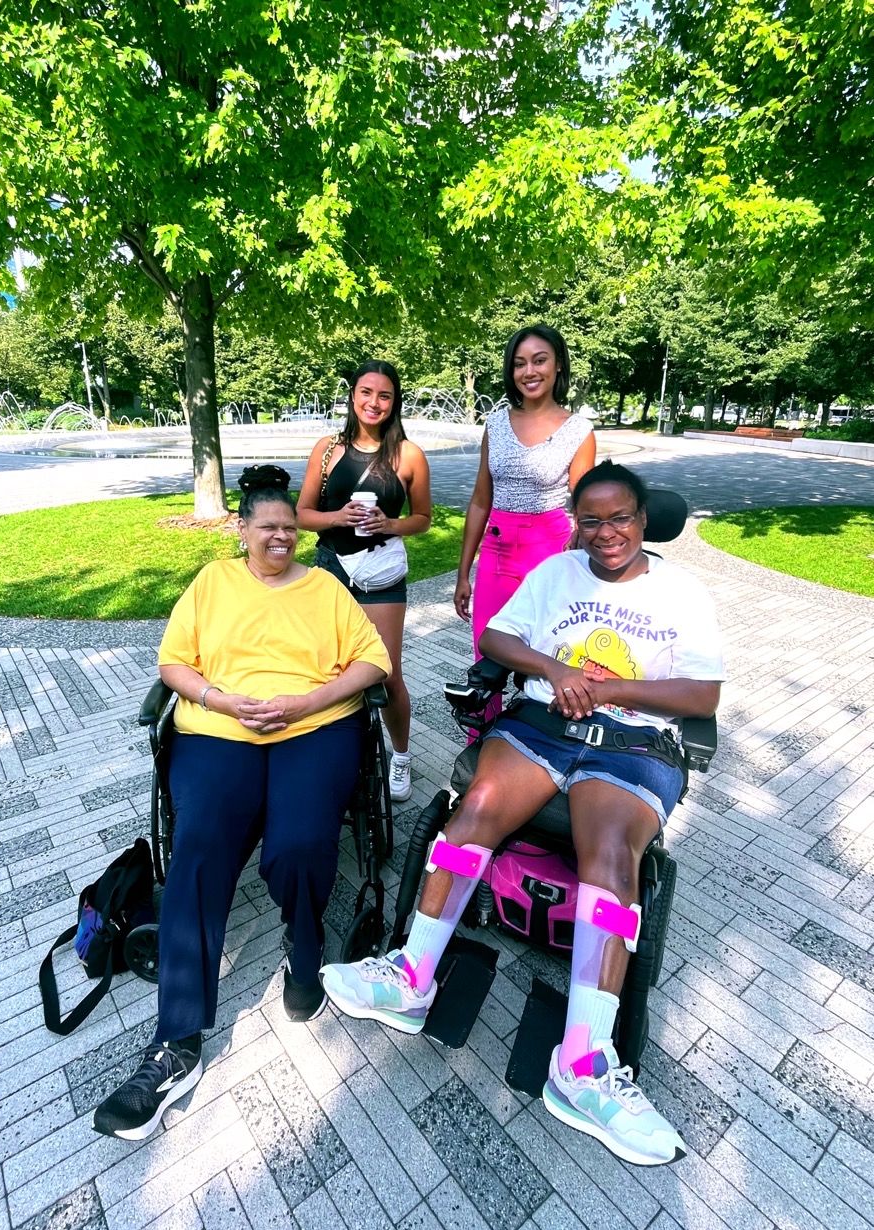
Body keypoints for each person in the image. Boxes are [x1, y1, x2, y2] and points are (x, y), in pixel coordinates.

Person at [322, 460, 724, 1167]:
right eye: (591, 520)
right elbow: (495, 641)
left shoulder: (684, 593)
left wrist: (607, 690)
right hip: (542, 726)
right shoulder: (554, 576)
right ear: (578, 522)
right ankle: (412, 975)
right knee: (473, 807)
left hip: (632, 741)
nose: (606, 533)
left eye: (620, 518)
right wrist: (554, 672)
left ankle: (584, 1065)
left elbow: (702, 697)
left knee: (608, 855)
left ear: (642, 517)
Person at [93, 465, 390, 1142]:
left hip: (314, 726)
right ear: (242, 530)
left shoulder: (324, 588)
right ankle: (176, 1044)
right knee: (198, 848)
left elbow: (373, 662)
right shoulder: (212, 584)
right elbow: (174, 665)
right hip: (218, 729)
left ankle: (302, 947)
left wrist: (305, 701)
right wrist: (221, 700)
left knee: (301, 843)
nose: (281, 537)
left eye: (290, 526)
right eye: (267, 527)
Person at [297, 360, 431, 802]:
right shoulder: (328, 449)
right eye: (366, 392)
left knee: (385, 670)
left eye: (385, 395)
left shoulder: (407, 455)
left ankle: (402, 755)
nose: (374, 402)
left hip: (381, 571)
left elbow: (423, 519)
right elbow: (301, 515)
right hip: (331, 565)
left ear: (395, 404)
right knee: (327, 667)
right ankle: (331, 752)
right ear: (352, 396)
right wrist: (336, 517)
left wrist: (388, 524)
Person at [455, 324, 596, 720]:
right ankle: (482, 748)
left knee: (549, 651)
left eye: (539, 360)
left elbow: (584, 508)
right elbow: (481, 501)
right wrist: (464, 573)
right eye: (519, 364)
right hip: (497, 553)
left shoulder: (578, 430)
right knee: (488, 656)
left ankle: (543, 744)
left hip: (550, 550)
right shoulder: (496, 423)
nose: (529, 372)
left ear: (557, 366)